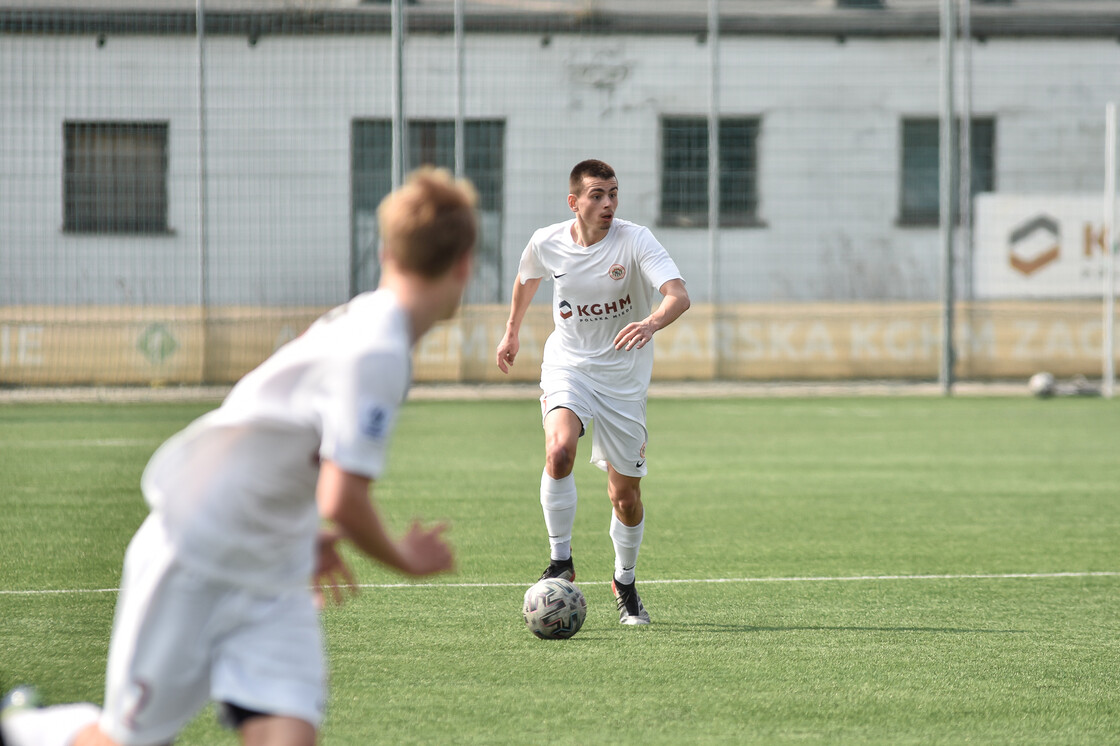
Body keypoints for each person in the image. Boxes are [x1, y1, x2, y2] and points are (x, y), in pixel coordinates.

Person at [0, 167, 477, 746]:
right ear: (464, 264)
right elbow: (341, 498)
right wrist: (406, 557)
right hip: (193, 556)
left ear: (385, 252)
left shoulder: (375, 327)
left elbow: (292, 458)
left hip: (273, 577)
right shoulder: (377, 348)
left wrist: (295, 538)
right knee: (126, 740)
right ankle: (26, 730)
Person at [495, 159, 690, 626]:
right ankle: (561, 561)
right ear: (574, 202)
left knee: (625, 498)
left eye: (614, 194)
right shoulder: (548, 241)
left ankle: (624, 581)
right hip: (570, 366)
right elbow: (527, 277)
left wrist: (650, 322)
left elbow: (677, 295)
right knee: (559, 450)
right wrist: (512, 331)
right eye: (597, 195)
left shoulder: (636, 239)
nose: (608, 204)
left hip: (623, 382)